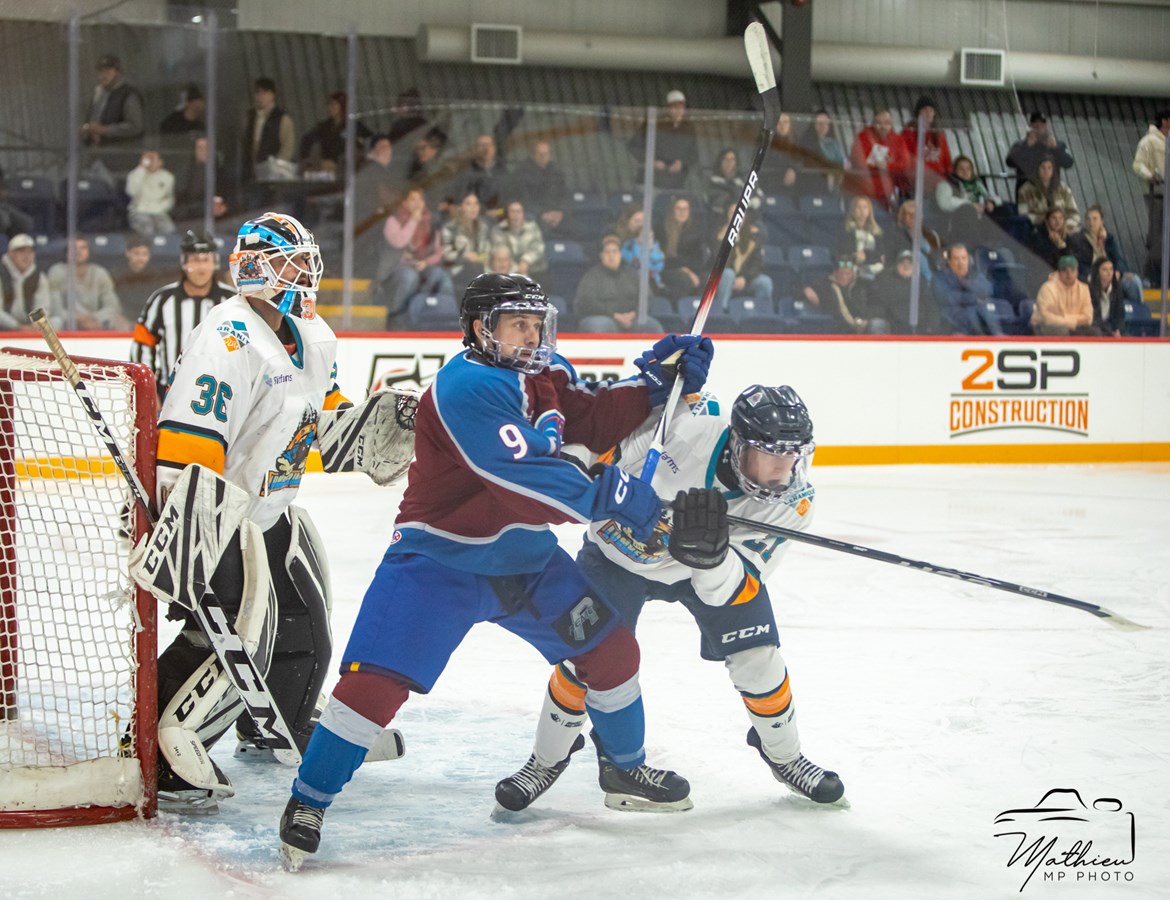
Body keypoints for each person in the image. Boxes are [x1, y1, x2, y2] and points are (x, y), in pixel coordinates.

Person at [276, 273, 715, 869]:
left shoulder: (543, 372)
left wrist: (654, 386)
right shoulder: (466, 386)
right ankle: (309, 800)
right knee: (371, 687)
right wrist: (616, 499)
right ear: (482, 328)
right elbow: (523, 476)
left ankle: (626, 769)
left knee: (612, 653)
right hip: (438, 562)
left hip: (525, 564)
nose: (533, 335)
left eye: (537, 323)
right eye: (518, 324)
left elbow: (590, 418)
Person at [138, 212, 413, 813]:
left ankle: (275, 722)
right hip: (220, 511)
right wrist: (191, 534)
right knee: (231, 634)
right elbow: (188, 443)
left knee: (307, 628)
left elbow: (329, 422)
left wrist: (383, 420)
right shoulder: (226, 337)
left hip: (274, 507)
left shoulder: (313, 334)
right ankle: (155, 752)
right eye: (292, 262)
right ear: (254, 268)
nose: (305, 274)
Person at [495, 384, 844, 812]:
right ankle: (545, 760)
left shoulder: (794, 501)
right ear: (737, 443)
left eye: (792, 455)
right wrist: (576, 468)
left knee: (759, 657)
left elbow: (728, 592)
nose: (783, 469)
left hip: (701, 574)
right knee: (582, 661)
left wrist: (711, 558)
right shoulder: (682, 424)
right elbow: (600, 444)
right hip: (616, 558)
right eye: (771, 454)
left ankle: (786, 756)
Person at [130, 229, 235, 400]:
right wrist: (148, 390)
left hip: (220, 394)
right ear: (184, 263)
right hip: (169, 393)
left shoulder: (232, 301)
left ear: (214, 263)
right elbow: (142, 345)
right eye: (194, 260)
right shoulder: (162, 300)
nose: (201, 267)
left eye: (206, 260)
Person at [378, 187, 453, 325]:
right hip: (398, 267)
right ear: (405, 202)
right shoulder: (393, 221)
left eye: (420, 199)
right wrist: (413, 221)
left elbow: (438, 252)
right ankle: (397, 319)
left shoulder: (430, 221)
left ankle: (446, 321)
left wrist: (427, 262)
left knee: (441, 276)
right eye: (413, 199)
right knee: (409, 277)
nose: (417, 203)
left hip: (424, 265)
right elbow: (399, 242)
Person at [575, 235, 664, 333]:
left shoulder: (633, 274)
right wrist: (614, 315)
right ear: (601, 256)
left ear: (620, 255)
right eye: (607, 252)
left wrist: (634, 313)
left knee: (653, 327)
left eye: (615, 251)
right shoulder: (592, 276)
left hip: (632, 317)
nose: (611, 255)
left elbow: (647, 297)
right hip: (603, 317)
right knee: (603, 325)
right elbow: (587, 302)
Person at [47, 236, 130, 331]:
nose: (78, 252)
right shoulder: (57, 271)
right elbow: (55, 308)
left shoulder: (100, 273)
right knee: (55, 321)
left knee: (120, 322)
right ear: (67, 253)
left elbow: (112, 306)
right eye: (74, 248)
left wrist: (94, 318)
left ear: (89, 251)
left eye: (83, 248)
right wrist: (77, 319)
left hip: (96, 322)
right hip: (67, 323)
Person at [81, 54, 144, 176]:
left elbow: (135, 126)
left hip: (121, 162)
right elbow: (92, 120)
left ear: (117, 72)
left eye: (108, 71)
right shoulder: (98, 95)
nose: (103, 75)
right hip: (97, 158)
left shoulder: (128, 94)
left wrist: (104, 130)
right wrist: (88, 131)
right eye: (100, 71)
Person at [632, 89, 699, 190]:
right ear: (667, 108)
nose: (678, 111)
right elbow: (634, 146)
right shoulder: (653, 123)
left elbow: (693, 154)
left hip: (676, 183)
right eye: (674, 107)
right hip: (650, 181)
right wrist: (652, 161)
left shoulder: (688, 128)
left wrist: (681, 162)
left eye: (681, 107)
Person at [241, 77, 296, 197]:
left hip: (273, 179)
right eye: (258, 93)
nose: (260, 97)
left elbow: (287, 149)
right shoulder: (251, 117)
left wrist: (275, 171)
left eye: (265, 93)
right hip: (253, 176)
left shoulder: (282, 119)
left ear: (273, 95)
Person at [802, 256, 887, 334]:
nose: (844, 277)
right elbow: (796, 290)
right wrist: (806, 291)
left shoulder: (864, 284)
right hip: (841, 327)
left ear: (853, 273)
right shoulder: (825, 285)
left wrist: (865, 320)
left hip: (865, 323)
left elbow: (878, 304)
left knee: (878, 324)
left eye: (848, 274)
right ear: (835, 273)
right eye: (841, 273)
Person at [713, 201, 772, 312]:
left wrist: (745, 277)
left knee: (765, 282)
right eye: (732, 213)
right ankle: (723, 309)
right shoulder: (720, 234)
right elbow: (720, 262)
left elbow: (757, 263)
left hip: (745, 277)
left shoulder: (754, 236)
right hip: (724, 275)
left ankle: (761, 312)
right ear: (727, 216)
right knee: (728, 274)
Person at [1132, 109, 1168, 284]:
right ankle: (1153, 276)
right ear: (1164, 121)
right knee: (1157, 237)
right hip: (1158, 195)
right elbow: (1138, 164)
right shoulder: (1149, 141)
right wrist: (1150, 176)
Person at [932, 243, 1000, 335]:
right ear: (949, 261)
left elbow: (988, 290)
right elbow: (946, 297)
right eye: (956, 259)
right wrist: (974, 299)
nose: (961, 262)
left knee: (986, 310)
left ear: (969, 260)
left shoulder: (974, 274)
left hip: (978, 323)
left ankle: (997, 336)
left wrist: (967, 282)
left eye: (964, 258)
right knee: (971, 312)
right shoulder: (940, 277)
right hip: (952, 323)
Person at [298, 92, 372, 175]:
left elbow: (369, 144)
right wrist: (307, 159)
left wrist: (341, 166)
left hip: (348, 172)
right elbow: (307, 139)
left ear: (343, 107)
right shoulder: (324, 127)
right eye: (329, 104)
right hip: (326, 169)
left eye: (333, 105)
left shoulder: (355, 127)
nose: (330, 108)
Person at [934, 155, 1000, 247]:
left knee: (1005, 209)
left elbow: (993, 197)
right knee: (968, 210)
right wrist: (971, 204)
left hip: (981, 219)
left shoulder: (977, 184)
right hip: (959, 223)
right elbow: (944, 203)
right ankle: (976, 247)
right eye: (961, 169)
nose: (965, 172)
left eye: (968, 169)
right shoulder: (946, 184)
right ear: (954, 170)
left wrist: (991, 202)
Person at [849, 109, 911, 208]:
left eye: (887, 123)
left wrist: (888, 166)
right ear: (873, 123)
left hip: (886, 195)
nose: (883, 127)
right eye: (879, 123)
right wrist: (875, 165)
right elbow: (858, 162)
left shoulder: (897, 139)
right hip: (863, 193)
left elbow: (905, 163)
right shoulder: (863, 137)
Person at [1006, 112, 1074, 201]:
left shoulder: (1058, 144)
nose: (1039, 129)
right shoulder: (1020, 145)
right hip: (1027, 193)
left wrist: (1056, 148)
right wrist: (1027, 146)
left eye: (1042, 126)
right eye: (1036, 126)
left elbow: (1069, 163)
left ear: (1046, 127)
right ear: (1030, 127)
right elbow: (1009, 161)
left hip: (1051, 192)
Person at [869, 248, 939, 334]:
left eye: (910, 263)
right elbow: (875, 302)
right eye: (902, 263)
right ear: (897, 265)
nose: (906, 266)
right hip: (891, 324)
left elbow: (931, 304)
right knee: (877, 324)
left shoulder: (921, 281)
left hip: (917, 326)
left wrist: (931, 325)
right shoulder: (885, 278)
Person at [509, 140, 568, 233]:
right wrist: (542, 214)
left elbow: (565, 195)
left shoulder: (557, 173)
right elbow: (523, 200)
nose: (544, 157)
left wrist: (560, 212)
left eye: (546, 154)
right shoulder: (521, 174)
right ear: (533, 155)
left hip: (557, 215)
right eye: (540, 154)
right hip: (535, 216)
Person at [0, 233, 55, 331]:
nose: (26, 256)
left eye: (30, 252)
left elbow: (42, 307)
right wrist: (16, 326)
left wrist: (36, 325)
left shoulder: (39, 277)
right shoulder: (1, 273)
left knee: (57, 321)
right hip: (4, 329)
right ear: (10, 253)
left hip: (29, 328)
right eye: (21, 252)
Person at [1031, 255, 1093, 336]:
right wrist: (1075, 321)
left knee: (1095, 332)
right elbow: (1048, 319)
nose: (1069, 274)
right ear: (1059, 272)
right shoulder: (1048, 288)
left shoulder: (1084, 289)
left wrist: (1063, 316)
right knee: (1061, 330)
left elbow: (1088, 318)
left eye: (1072, 270)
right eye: (1065, 270)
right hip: (1043, 326)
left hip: (1074, 327)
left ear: (1077, 272)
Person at [658, 195, 706, 299]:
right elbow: (662, 258)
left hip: (690, 268)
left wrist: (690, 271)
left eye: (685, 209)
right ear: (672, 210)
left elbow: (698, 258)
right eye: (678, 208)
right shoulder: (663, 229)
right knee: (683, 279)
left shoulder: (695, 230)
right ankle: (678, 310)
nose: (682, 212)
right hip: (667, 268)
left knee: (710, 280)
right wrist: (685, 270)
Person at [440, 191, 495, 283]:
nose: (473, 208)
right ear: (460, 207)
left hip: (481, 269)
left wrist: (484, 258)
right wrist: (465, 257)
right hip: (457, 270)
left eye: (476, 204)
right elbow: (445, 254)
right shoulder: (450, 227)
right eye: (468, 204)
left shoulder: (483, 227)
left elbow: (488, 250)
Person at [900, 95, 952, 188]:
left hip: (938, 184)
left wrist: (947, 179)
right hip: (916, 185)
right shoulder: (909, 133)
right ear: (918, 113)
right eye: (925, 109)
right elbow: (904, 160)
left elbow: (946, 161)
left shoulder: (940, 134)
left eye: (931, 110)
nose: (928, 113)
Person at [1018, 157, 1081, 232]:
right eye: (1043, 167)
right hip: (1038, 230)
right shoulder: (1025, 190)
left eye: (1049, 167)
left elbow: (1074, 213)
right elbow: (1023, 215)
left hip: (1065, 230)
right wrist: (1046, 221)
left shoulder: (1063, 189)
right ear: (1037, 169)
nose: (1046, 171)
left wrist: (1064, 226)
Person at [126, 149, 177, 238]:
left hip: (159, 213)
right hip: (139, 212)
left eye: (153, 159)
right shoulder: (135, 174)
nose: (151, 162)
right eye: (148, 159)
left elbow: (169, 199)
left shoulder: (168, 177)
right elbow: (131, 192)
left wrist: (160, 209)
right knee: (147, 230)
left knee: (169, 230)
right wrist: (142, 168)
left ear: (160, 162)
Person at [1029, 208, 1092, 278]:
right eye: (1054, 218)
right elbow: (1049, 261)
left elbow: (1072, 259)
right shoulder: (1039, 236)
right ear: (1047, 221)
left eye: (1060, 218)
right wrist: (1055, 245)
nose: (1057, 221)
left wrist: (1061, 245)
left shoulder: (1067, 238)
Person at [490, 200, 547, 276]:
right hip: (508, 272)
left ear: (523, 214)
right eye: (512, 212)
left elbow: (538, 248)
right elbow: (501, 253)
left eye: (518, 212)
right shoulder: (498, 230)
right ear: (507, 214)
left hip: (534, 271)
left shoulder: (533, 228)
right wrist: (517, 269)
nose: (515, 215)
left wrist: (525, 261)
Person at [797, 110, 847, 195]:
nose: (823, 126)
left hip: (832, 188)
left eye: (825, 123)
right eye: (819, 123)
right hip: (812, 187)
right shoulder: (805, 142)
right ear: (814, 125)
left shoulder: (833, 143)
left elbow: (841, 162)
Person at [838, 194, 884, 281]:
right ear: (853, 210)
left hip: (875, 270)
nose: (862, 211)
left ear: (869, 210)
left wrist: (866, 256)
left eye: (865, 207)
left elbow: (881, 255)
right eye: (858, 207)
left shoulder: (877, 231)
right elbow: (844, 253)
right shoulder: (845, 230)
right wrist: (856, 258)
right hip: (852, 269)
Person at [113, 235, 160, 316]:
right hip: (123, 319)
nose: (140, 258)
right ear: (127, 253)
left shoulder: (156, 276)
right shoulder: (116, 275)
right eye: (136, 253)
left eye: (145, 254)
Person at [1088, 257, 1128, 338]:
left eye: (1111, 269)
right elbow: (1093, 317)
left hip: (1111, 327)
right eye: (1104, 270)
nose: (1109, 273)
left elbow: (1120, 315)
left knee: (1127, 337)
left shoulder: (1117, 289)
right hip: (1097, 328)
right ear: (1097, 272)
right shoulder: (1089, 290)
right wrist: (1110, 332)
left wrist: (1118, 330)